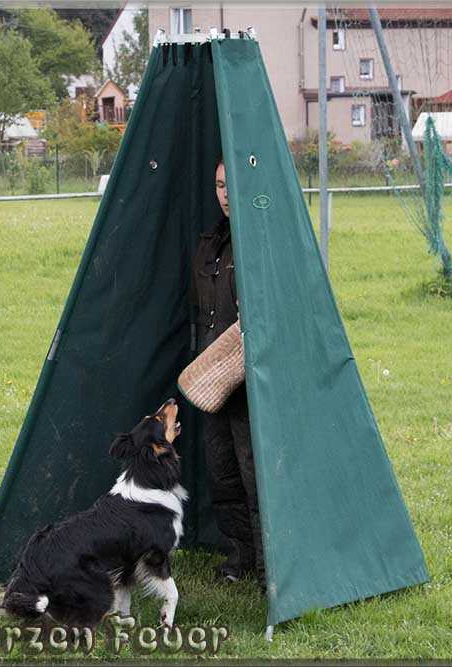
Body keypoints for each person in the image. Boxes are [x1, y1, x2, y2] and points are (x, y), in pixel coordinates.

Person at [189, 156, 266, 588]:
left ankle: (270, 568)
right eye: (219, 185)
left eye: (230, 184)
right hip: (212, 378)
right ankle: (240, 558)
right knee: (222, 473)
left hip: (250, 380)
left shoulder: (259, 242)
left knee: (256, 475)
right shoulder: (209, 243)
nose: (225, 194)